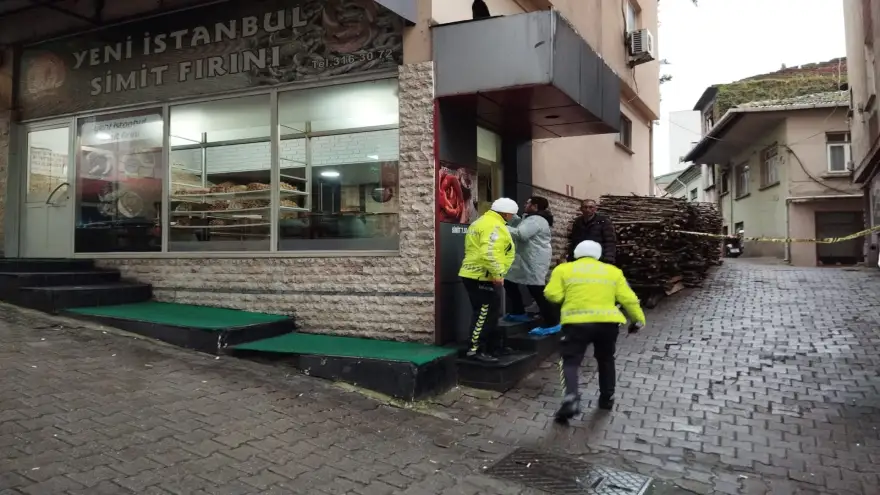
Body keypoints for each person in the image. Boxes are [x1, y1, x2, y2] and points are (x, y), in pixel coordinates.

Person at [544, 240, 646, 423]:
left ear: (576, 252)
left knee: (570, 362)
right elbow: (629, 298)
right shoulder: (613, 272)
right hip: (607, 325)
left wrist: (565, 298)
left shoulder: (563, 270)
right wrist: (637, 320)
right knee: (606, 359)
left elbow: (552, 294)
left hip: (576, 323)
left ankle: (571, 398)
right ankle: (607, 399)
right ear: (598, 254)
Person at [458, 197, 518, 363]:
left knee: (490, 313)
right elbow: (489, 252)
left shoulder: (481, 222)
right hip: (483, 276)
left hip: (477, 274)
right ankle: (475, 349)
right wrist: (497, 274)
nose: (512, 218)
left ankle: (492, 346)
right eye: (512, 215)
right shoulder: (494, 225)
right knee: (484, 313)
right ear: (506, 214)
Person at [503, 196, 560, 334]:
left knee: (536, 290)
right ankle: (518, 311)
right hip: (526, 259)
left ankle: (552, 322)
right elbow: (521, 226)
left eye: (528, 203)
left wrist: (501, 227)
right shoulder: (530, 218)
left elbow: (522, 234)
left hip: (534, 261)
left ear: (534, 206)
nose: (525, 204)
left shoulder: (537, 220)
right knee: (509, 281)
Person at [566, 199, 617, 265]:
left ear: (595, 209)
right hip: (581, 258)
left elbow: (610, 241)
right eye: (585, 207)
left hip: (599, 258)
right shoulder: (578, 222)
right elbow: (574, 241)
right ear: (581, 209)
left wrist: (608, 259)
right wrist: (571, 258)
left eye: (591, 207)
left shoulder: (603, 222)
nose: (588, 210)